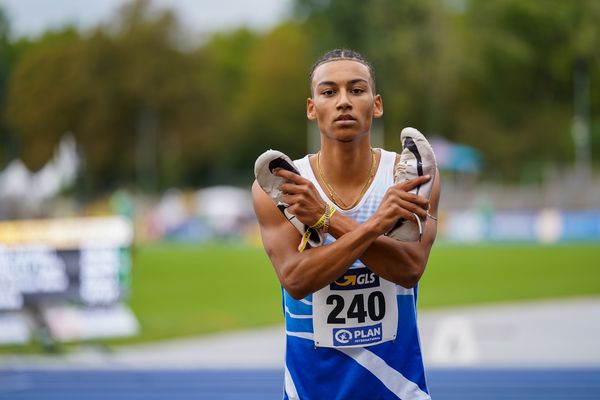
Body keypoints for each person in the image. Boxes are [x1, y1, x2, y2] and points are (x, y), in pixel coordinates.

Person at [252, 48, 440, 400]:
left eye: (356, 90)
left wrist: (326, 218)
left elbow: (409, 268)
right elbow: (296, 280)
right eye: (329, 92)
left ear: (377, 104)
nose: (343, 102)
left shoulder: (410, 176)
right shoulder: (283, 186)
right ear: (312, 108)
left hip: (399, 391)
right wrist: (374, 225)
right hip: (311, 392)